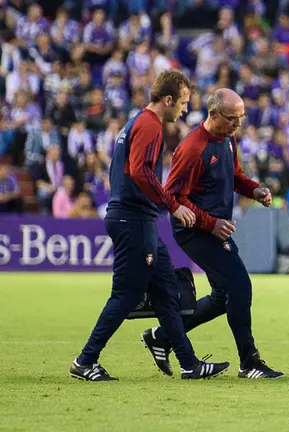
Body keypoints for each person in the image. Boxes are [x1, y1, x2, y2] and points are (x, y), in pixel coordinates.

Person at [71, 70, 229, 381]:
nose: (184, 109)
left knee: (166, 292)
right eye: (182, 103)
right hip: (133, 218)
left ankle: (189, 363)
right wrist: (173, 204)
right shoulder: (149, 126)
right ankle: (85, 360)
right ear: (168, 100)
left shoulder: (137, 122)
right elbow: (141, 172)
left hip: (137, 218)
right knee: (126, 295)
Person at [141, 88, 283, 379]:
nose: (237, 125)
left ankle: (163, 336)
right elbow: (173, 197)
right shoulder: (192, 148)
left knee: (222, 296)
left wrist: (254, 189)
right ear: (213, 114)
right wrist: (210, 223)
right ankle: (249, 363)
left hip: (212, 228)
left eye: (241, 119)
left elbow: (235, 176)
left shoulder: (227, 139)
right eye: (232, 119)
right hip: (193, 229)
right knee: (240, 285)